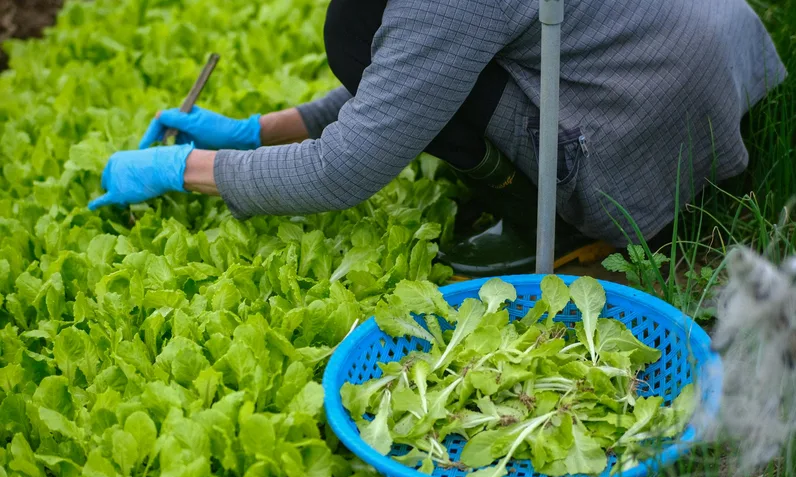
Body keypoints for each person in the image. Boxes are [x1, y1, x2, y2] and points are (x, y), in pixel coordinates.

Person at [89, 0, 786, 274]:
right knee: (369, 30)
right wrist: (254, 134)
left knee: (353, 30)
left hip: (649, 135)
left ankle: (556, 221)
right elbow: (420, 68)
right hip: (705, 62)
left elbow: (346, 167)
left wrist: (182, 169)